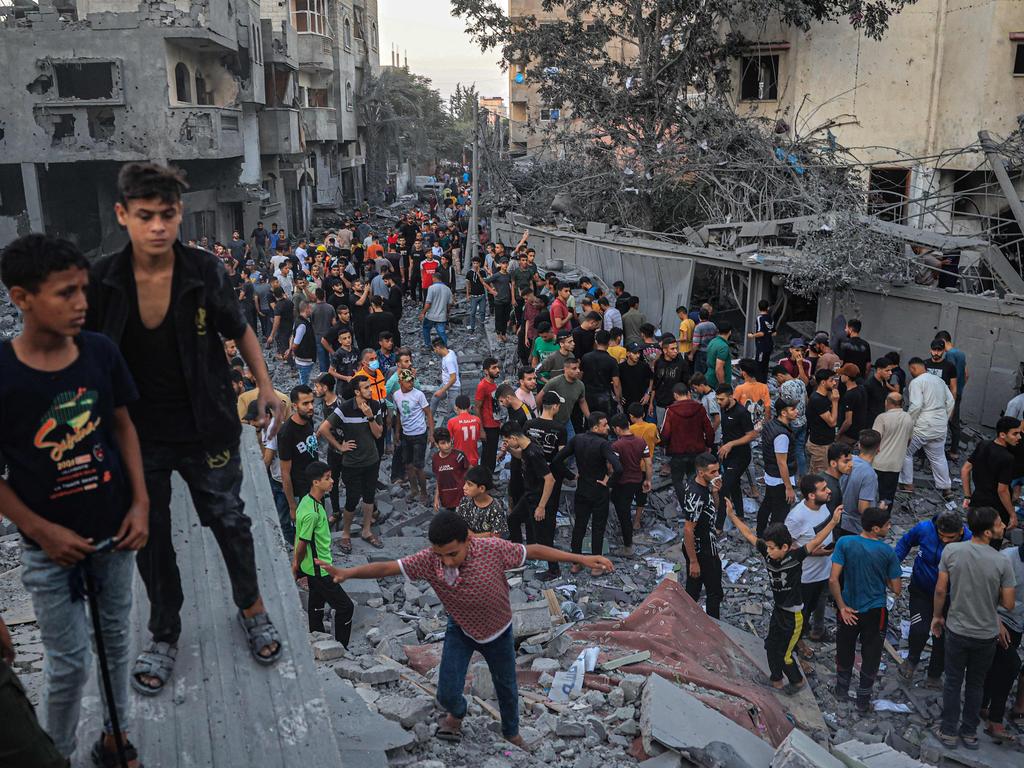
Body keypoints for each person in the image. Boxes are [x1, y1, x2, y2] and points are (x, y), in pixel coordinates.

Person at [86, 162, 283, 693]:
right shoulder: (103, 281)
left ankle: (252, 607)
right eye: (145, 216)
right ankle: (164, 632)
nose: (157, 227)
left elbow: (240, 329)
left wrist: (264, 385)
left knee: (229, 520)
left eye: (167, 215)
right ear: (123, 214)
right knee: (147, 534)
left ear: (179, 216)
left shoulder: (203, 272)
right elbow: (85, 355)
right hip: (135, 434)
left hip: (207, 425)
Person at [0, 234, 149, 766]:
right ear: (21, 297)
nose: (82, 303)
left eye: (83, 290)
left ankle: (115, 735)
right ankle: (56, 755)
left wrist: (140, 506)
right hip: (50, 554)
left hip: (115, 535)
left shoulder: (99, 352)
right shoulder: (5, 373)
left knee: (115, 644)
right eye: (65, 293)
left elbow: (124, 427)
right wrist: (41, 531)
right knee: (67, 664)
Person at [313, 512, 613, 747]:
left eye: (452, 554)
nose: (445, 561)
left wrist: (581, 558)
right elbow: (388, 568)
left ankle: (511, 733)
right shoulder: (429, 561)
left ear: (469, 538)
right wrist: (349, 572)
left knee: (507, 688)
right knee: (445, 691)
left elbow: (533, 550)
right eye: (439, 554)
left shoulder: (492, 549)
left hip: (499, 632)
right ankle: (457, 713)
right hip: (460, 629)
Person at [730, 495, 843, 692]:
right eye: (768, 547)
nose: (769, 552)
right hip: (778, 611)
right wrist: (732, 515)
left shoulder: (795, 556)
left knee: (785, 655)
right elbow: (748, 534)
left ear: (785, 547)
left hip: (793, 616)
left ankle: (797, 682)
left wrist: (833, 522)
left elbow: (816, 541)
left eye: (773, 549)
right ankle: (776, 680)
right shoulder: (767, 550)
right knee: (770, 646)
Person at [931, 507, 1016, 750]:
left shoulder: (952, 550)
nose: (1003, 526)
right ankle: (969, 733)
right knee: (976, 684)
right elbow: (1009, 604)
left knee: (953, 681)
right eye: (1000, 523)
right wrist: (990, 594)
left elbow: (940, 589)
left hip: (957, 628)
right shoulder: (1002, 561)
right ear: (988, 532)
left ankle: (948, 731)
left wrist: (937, 617)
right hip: (986, 634)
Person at [829, 506, 902, 712]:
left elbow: (833, 579)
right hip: (875, 611)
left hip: (848, 607)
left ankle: (841, 689)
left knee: (845, 647)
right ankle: (863, 700)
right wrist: (883, 577)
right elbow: (896, 589)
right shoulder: (887, 552)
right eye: (887, 525)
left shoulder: (845, 543)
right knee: (871, 653)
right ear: (876, 529)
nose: (890, 527)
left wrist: (842, 607)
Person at [895, 511, 971, 688]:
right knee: (919, 628)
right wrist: (893, 565)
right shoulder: (924, 529)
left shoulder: (969, 542)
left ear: (960, 532)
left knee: (943, 636)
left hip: (951, 598)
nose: (944, 541)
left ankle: (935, 673)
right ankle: (911, 661)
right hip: (921, 590)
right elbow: (905, 543)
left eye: (950, 537)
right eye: (941, 536)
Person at [317, 376, 385, 553]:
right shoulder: (345, 408)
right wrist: (339, 446)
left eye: (369, 387)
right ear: (357, 392)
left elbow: (378, 434)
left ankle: (366, 530)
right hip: (352, 463)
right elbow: (323, 429)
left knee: (369, 496)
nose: (370, 390)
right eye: (366, 388)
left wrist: (370, 417)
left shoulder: (375, 406)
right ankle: (346, 534)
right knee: (352, 499)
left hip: (371, 460)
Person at [292, 462, 354, 647]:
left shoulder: (307, 500)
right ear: (316, 482)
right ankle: (342, 647)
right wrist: (296, 565)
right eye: (327, 478)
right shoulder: (312, 513)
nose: (332, 481)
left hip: (314, 566)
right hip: (320, 568)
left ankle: (316, 637)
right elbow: (303, 543)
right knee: (345, 607)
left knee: (316, 603)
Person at [553, 413, 623, 572]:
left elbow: (557, 460)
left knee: (579, 526)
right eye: (604, 425)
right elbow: (618, 468)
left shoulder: (577, 439)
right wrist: (608, 482)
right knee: (598, 528)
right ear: (596, 427)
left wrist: (571, 476)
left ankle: (575, 563)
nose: (608, 427)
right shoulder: (603, 444)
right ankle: (596, 566)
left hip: (582, 488)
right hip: (599, 491)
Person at [980, 542, 1024, 740]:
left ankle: (981, 705)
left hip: (1017, 622)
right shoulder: (1007, 558)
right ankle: (995, 720)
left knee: (996, 666)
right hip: (996, 618)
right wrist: (996, 622)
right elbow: (984, 591)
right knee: (1011, 665)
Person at [525, 391, 570, 577]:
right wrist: (569, 475)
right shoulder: (559, 429)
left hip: (530, 476)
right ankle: (553, 566)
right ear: (555, 407)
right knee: (548, 518)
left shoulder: (529, 425)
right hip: (551, 478)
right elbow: (561, 459)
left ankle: (535, 548)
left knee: (531, 513)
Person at [899, 357, 955, 500]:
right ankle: (946, 489)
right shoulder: (940, 381)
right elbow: (951, 402)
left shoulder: (916, 382)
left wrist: (908, 423)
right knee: (938, 457)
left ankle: (907, 484)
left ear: (913, 368)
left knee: (905, 452)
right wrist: (944, 419)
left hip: (923, 425)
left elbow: (916, 405)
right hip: (940, 425)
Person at [680, 453, 724, 618]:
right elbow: (688, 530)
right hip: (702, 550)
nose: (717, 475)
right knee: (714, 592)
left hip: (706, 546)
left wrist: (715, 492)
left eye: (717, 471)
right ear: (700, 472)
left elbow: (714, 509)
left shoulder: (704, 486)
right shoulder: (696, 495)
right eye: (713, 472)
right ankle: (713, 626)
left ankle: (686, 621)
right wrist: (693, 561)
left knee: (694, 588)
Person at [962, 416, 1021, 536]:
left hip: (976, 504)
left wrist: (967, 496)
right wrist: (1012, 514)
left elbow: (965, 469)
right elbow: (1002, 490)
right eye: (1015, 434)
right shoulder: (1007, 458)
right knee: (991, 546)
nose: (1019, 437)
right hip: (995, 510)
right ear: (1003, 435)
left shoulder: (983, 445)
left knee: (975, 540)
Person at [501, 422, 556, 545]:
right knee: (513, 520)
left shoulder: (533, 452)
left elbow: (550, 479)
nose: (507, 443)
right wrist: (509, 449)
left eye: (507, 440)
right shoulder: (526, 445)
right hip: (528, 495)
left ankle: (549, 562)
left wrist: (541, 507)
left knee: (541, 537)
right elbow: (521, 455)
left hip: (538, 497)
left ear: (514, 438)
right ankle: (518, 551)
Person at [277, 385, 318, 543]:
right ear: (294, 406)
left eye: (312, 402)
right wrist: (292, 506)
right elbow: (285, 473)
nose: (311, 407)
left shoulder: (309, 421)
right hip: (300, 492)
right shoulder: (286, 433)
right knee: (304, 534)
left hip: (314, 486)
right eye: (305, 403)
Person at [610, 414, 652, 556]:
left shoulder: (616, 445)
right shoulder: (641, 442)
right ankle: (628, 531)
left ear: (616, 429)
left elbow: (612, 468)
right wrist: (648, 479)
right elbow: (648, 462)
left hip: (622, 482)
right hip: (637, 478)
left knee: (624, 512)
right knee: (627, 509)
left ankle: (628, 546)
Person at [716, 384, 757, 525]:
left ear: (730, 396)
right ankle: (740, 515)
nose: (719, 402)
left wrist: (731, 444)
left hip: (741, 456)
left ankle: (719, 526)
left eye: (721, 399)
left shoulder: (741, 412)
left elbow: (751, 435)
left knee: (724, 489)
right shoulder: (724, 409)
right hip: (727, 455)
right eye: (717, 399)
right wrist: (724, 445)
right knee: (734, 485)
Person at [661, 383, 715, 488]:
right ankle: (694, 501)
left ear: (675, 395)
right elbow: (709, 430)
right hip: (697, 451)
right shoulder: (699, 408)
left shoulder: (670, 411)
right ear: (688, 393)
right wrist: (709, 445)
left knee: (678, 481)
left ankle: (683, 503)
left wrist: (664, 446)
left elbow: (665, 433)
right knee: (695, 479)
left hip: (677, 452)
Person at [758, 399, 799, 536]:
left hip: (771, 474)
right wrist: (788, 488)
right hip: (779, 479)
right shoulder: (782, 435)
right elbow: (782, 462)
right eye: (793, 409)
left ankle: (760, 532)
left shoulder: (771, 424)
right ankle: (772, 540)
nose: (797, 411)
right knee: (779, 514)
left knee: (767, 504)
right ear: (783, 412)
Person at [394, 369, 435, 504]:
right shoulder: (396, 395)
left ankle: (424, 492)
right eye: (407, 381)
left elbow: (428, 413)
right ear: (400, 382)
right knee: (408, 465)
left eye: (412, 380)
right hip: (406, 434)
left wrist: (431, 433)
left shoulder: (419, 395)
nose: (410, 383)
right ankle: (414, 490)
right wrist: (397, 432)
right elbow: (399, 413)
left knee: (419, 466)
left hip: (419, 434)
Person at [872, 393, 914, 508]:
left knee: (870, 494)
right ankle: (884, 520)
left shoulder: (882, 418)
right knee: (887, 497)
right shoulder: (908, 418)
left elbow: (874, 441)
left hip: (878, 463)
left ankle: (870, 518)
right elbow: (908, 441)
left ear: (887, 402)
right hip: (895, 465)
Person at [838, 429, 880, 537]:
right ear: (878, 449)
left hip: (838, 518)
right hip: (854, 527)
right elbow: (863, 508)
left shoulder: (846, 461)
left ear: (859, 445)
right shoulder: (869, 474)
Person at [538, 358, 590, 442]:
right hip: (551, 421)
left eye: (578, 368)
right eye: (574, 368)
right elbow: (539, 398)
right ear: (565, 369)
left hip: (566, 420)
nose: (578, 371)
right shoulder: (554, 382)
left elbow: (582, 401)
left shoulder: (580, 385)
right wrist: (539, 417)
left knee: (572, 444)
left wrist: (589, 417)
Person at [936, 330, 968, 461]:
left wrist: (949, 392)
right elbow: (966, 374)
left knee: (944, 421)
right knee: (955, 422)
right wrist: (960, 387)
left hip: (950, 394)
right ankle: (954, 450)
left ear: (943, 342)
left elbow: (950, 375)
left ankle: (947, 451)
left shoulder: (949, 355)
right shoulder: (961, 354)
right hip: (958, 392)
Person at [455, 466, 509, 538]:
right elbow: (458, 524)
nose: (464, 487)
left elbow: (495, 536)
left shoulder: (496, 508)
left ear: (482, 488)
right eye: (465, 483)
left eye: (469, 484)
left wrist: (472, 535)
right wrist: (485, 535)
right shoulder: (465, 501)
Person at [806, 369, 839, 473]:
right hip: (819, 446)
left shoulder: (823, 397)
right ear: (823, 382)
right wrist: (835, 402)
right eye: (831, 380)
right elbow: (832, 422)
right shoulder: (818, 400)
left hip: (824, 443)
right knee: (819, 476)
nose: (834, 383)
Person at [581, 330, 621, 415]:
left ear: (596, 341)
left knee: (590, 420)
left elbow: (580, 376)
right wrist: (618, 398)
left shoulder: (585, 357)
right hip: (604, 396)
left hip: (587, 395)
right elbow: (616, 383)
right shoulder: (612, 361)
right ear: (609, 342)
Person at [652, 335, 689, 423]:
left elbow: (686, 385)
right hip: (661, 403)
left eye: (676, 348)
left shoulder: (682, 363)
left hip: (677, 403)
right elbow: (655, 384)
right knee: (661, 428)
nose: (676, 351)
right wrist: (651, 403)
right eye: (672, 349)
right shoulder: (658, 363)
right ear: (665, 350)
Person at [475, 357, 503, 472]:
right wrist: (481, 429)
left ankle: (488, 479)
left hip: (495, 423)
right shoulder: (482, 386)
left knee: (492, 453)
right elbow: (477, 408)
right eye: (494, 368)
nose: (497, 370)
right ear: (486, 371)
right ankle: (485, 480)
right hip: (488, 426)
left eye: (498, 367)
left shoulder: (493, 384)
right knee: (487, 455)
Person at [433, 428, 469, 513]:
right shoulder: (435, 459)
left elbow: (470, 472)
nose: (447, 445)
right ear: (436, 445)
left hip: (461, 496)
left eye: (448, 442)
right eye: (443, 443)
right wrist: (436, 498)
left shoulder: (459, 456)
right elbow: (438, 479)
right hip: (446, 498)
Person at [430, 337, 461, 424]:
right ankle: (429, 420)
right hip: (446, 385)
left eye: (435, 349)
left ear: (438, 347)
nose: (435, 351)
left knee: (454, 411)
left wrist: (442, 390)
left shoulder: (449, 360)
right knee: (434, 399)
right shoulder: (450, 352)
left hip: (453, 388)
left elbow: (453, 378)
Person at [733, 359, 771, 427]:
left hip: (744, 426)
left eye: (740, 370)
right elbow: (767, 409)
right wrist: (765, 425)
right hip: (759, 425)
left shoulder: (739, 388)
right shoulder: (764, 387)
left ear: (744, 373)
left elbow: (733, 407)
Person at [286, 300, 316, 385]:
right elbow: (296, 344)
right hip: (304, 360)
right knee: (304, 383)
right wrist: (291, 350)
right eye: (310, 308)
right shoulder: (302, 325)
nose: (312, 310)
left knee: (303, 379)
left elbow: (292, 335)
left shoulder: (298, 320)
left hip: (302, 359)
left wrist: (289, 349)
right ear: (307, 309)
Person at [448, 394, 482, 467]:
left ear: (456, 407)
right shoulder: (477, 420)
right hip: (474, 458)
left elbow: (449, 442)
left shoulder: (452, 421)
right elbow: (478, 437)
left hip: (459, 458)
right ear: (469, 407)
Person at [484, 257, 513, 342]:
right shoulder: (497, 275)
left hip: (507, 300)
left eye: (506, 263)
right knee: (499, 318)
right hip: (498, 300)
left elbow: (511, 286)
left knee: (506, 318)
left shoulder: (508, 275)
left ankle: (504, 333)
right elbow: (485, 281)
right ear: (500, 264)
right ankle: (498, 334)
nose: (505, 265)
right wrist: (491, 290)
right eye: (503, 263)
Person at [747, 298, 775, 383]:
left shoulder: (760, 318)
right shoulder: (771, 318)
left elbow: (761, 333)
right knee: (765, 365)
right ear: (768, 308)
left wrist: (752, 335)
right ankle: (764, 383)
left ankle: (758, 384)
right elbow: (774, 333)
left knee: (759, 365)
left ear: (759, 308)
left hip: (762, 346)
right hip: (770, 344)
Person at [420, 276, 453, 347]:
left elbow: (428, 303)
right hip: (441, 316)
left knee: (426, 328)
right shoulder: (447, 289)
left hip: (431, 316)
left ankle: (428, 344)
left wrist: (423, 313)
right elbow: (450, 304)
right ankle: (444, 347)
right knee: (441, 332)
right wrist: (447, 313)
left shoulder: (431, 288)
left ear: (434, 278)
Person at [864, 357, 893, 426]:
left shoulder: (884, 382)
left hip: (881, 420)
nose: (890, 373)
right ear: (879, 370)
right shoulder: (869, 385)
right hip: (870, 422)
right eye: (887, 370)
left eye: (891, 370)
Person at [705, 321, 733, 388]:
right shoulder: (723, 347)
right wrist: (723, 386)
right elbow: (719, 369)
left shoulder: (713, 341)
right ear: (730, 332)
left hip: (709, 377)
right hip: (716, 382)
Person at [465, 256, 488, 332]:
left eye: (477, 263)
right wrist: (468, 295)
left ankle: (481, 325)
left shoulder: (482, 272)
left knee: (482, 311)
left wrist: (478, 274)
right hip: (473, 296)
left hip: (482, 295)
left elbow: (484, 283)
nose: (475, 265)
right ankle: (472, 327)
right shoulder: (469, 273)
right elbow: (468, 284)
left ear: (479, 264)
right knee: (472, 312)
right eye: (474, 263)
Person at [691, 307, 717, 372]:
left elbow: (696, 344)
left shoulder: (698, 327)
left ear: (699, 317)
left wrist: (691, 354)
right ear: (708, 316)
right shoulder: (713, 325)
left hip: (701, 353)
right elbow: (716, 338)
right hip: (711, 351)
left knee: (699, 373)